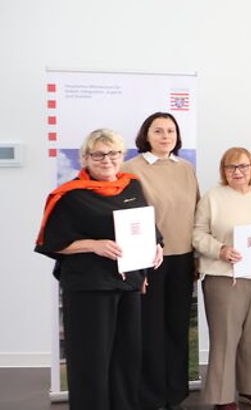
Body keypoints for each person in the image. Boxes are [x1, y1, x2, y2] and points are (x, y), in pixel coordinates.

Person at [35, 128, 163, 410]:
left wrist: (155, 247)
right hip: (89, 288)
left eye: (114, 153)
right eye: (99, 155)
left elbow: (146, 227)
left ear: (122, 155)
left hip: (128, 284)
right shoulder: (69, 195)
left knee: (127, 356)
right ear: (85, 158)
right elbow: (53, 243)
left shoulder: (131, 186)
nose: (107, 160)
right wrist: (93, 245)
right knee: (91, 359)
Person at [193, 147, 251, 410]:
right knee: (225, 337)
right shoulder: (213, 197)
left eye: (243, 166)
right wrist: (220, 250)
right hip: (223, 276)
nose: (237, 172)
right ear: (223, 171)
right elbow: (197, 233)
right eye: (231, 167)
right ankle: (222, 396)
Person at [122, 113, 199, 410]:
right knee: (150, 329)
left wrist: (196, 258)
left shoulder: (186, 169)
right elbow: (129, 218)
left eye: (171, 131)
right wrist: (136, 266)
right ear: (146, 135)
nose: (165, 136)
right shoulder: (131, 168)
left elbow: (196, 212)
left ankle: (175, 393)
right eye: (158, 131)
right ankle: (151, 396)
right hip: (148, 260)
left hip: (183, 257)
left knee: (177, 328)